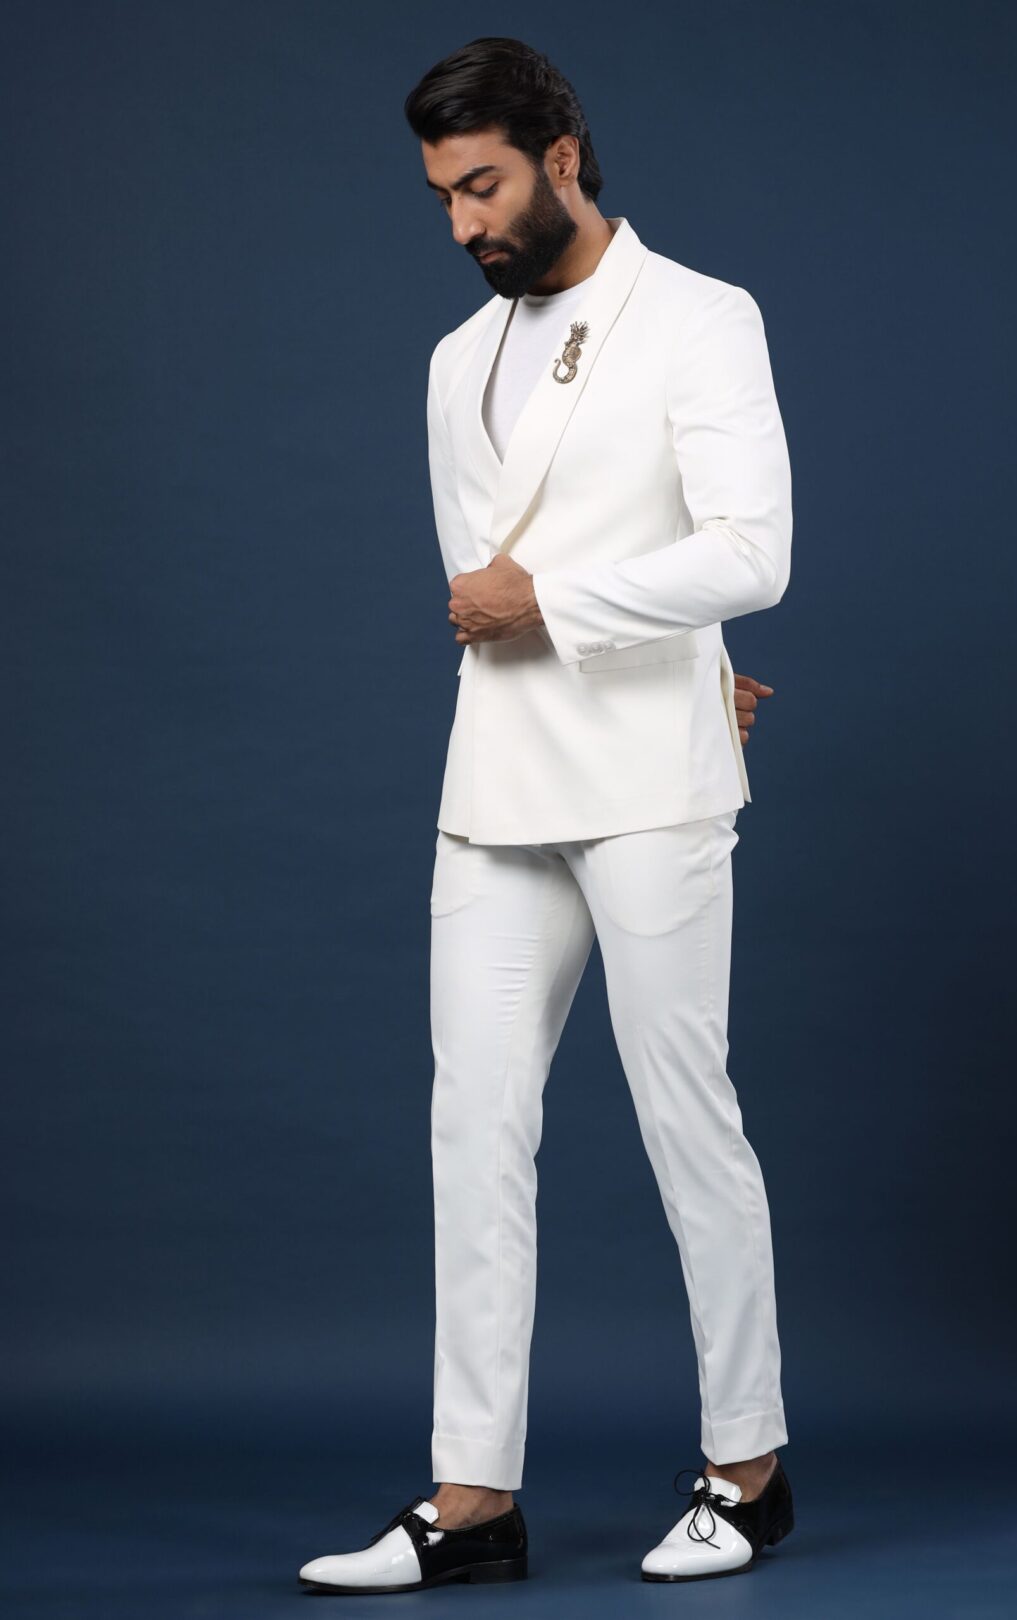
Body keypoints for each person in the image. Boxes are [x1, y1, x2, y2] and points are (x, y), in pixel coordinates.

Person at [299, 34, 794, 1595]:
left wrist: (611, 629)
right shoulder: (457, 361)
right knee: (474, 1128)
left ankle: (750, 1470)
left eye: (484, 187)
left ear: (563, 155)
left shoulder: (701, 317)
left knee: (684, 1119)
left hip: (650, 789)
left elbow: (752, 549)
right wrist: (662, 645)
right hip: (500, 781)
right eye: (443, 198)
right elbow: (494, 585)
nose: (462, 223)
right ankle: (473, 1502)